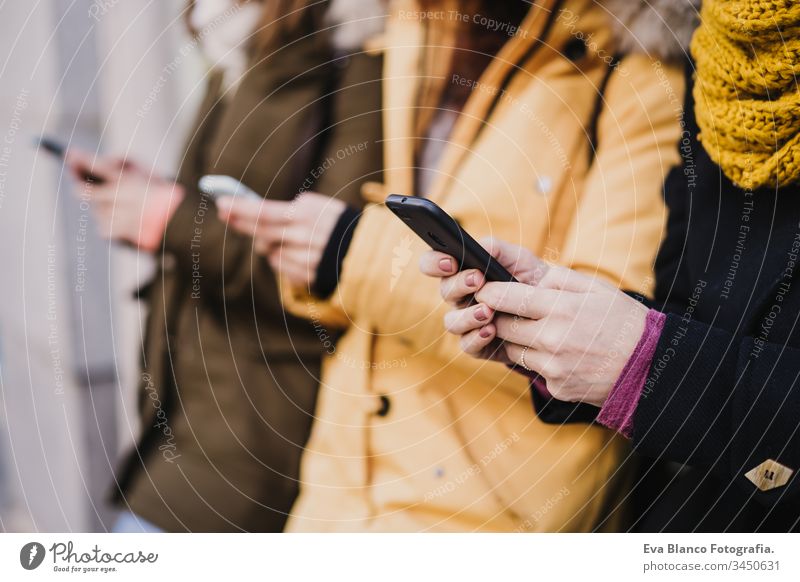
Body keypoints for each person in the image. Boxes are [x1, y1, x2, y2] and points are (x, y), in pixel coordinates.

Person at [219, 0, 694, 531]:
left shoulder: (639, 71)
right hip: (337, 495)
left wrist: (352, 253)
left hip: (491, 512)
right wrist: (320, 260)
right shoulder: (415, 30)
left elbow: (606, 348)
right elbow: (370, 289)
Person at [421, 0, 800, 532]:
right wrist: (561, 320)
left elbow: (672, 352)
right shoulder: (717, 53)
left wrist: (646, 365)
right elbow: (687, 306)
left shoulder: (654, 60)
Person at [65, 0, 386, 532]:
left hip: (260, 432)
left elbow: (342, 266)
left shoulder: (364, 50)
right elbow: (225, 205)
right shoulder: (234, 44)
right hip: (183, 406)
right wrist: (154, 199)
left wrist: (166, 217)